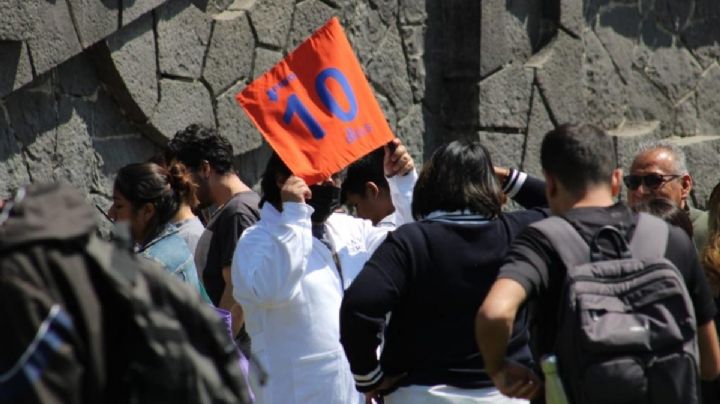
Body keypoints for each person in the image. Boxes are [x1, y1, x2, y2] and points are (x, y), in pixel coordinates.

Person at [475, 124, 720, 402]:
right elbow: (710, 365)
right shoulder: (671, 239)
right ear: (616, 180)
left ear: (551, 183)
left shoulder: (542, 242)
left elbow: (495, 313)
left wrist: (500, 370)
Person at [339, 140, 549, 403]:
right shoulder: (518, 232)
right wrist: (507, 178)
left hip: (421, 394)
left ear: (430, 185)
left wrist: (369, 377)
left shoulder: (410, 241)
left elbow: (359, 306)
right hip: (505, 394)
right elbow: (569, 206)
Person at [231, 138, 416, 404]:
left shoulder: (348, 228)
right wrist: (295, 214)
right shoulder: (256, 240)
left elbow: (409, 243)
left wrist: (403, 182)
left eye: (336, 173)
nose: (331, 182)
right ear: (283, 178)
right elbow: (272, 290)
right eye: (320, 172)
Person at [167, 124, 260, 352]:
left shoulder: (237, 212)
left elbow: (237, 290)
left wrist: (217, 350)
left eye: (185, 175)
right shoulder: (243, 206)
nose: (184, 187)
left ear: (205, 168)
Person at [109, 162, 210, 302]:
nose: (111, 214)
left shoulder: (151, 266)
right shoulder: (176, 242)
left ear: (147, 211)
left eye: (119, 206)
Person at [625, 140, 708, 251]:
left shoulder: (709, 232)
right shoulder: (618, 236)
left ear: (684, 185)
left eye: (653, 180)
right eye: (633, 181)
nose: (640, 191)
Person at [341, 147, 397, 227]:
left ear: (371, 191)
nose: (357, 216)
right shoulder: (417, 217)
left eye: (355, 206)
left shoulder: (385, 235)